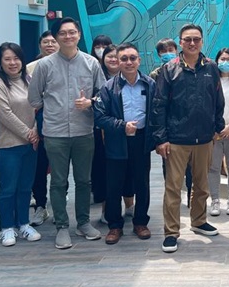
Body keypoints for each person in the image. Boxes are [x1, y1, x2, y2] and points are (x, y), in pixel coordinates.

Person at [27, 17, 107, 250]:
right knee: (58, 181)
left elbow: (104, 94)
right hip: (55, 133)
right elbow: (34, 98)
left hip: (84, 131)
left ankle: (83, 223)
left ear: (79, 35)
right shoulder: (44, 65)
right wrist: (55, 107)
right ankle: (62, 226)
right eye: (63, 33)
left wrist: (90, 102)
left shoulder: (91, 63)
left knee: (84, 180)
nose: (68, 36)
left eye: (72, 32)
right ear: (56, 37)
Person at [150, 24, 226, 253]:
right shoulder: (169, 69)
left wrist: (217, 127)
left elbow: (218, 101)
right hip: (176, 140)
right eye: (187, 39)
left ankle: (199, 221)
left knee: (201, 185)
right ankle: (171, 232)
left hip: (204, 139)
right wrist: (161, 138)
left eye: (196, 39)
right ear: (180, 42)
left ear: (202, 41)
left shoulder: (211, 68)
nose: (192, 43)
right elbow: (159, 105)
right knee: (173, 188)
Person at [94, 43, 156, 245]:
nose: (129, 62)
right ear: (118, 62)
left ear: (139, 60)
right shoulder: (108, 87)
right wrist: (121, 126)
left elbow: (157, 112)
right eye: (124, 59)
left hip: (141, 140)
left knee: (142, 183)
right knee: (114, 184)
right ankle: (115, 226)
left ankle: (141, 222)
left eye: (132, 58)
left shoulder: (149, 84)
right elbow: (99, 117)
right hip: (116, 140)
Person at [0, 42, 42, 247]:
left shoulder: (29, 80)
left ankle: (23, 224)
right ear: (0, 63)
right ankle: (6, 228)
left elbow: (38, 106)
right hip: (7, 147)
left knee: (25, 187)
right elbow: (5, 115)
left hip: (30, 145)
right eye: (7, 59)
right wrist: (29, 134)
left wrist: (36, 130)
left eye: (16, 58)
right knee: (8, 189)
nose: (13, 63)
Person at [149, 38, 193, 205]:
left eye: (170, 50)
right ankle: (172, 197)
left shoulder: (184, 70)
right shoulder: (155, 75)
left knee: (190, 166)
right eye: (163, 51)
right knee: (168, 165)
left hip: (187, 125)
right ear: (159, 54)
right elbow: (155, 104)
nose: (168, 53)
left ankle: (191, 196)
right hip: (166, 127)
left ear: (176, 51)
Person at [25, 31, 58, 226]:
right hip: (38, 125)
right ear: (40, 45)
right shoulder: (30, 68)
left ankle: (60, 206)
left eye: (53, 41)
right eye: (46, 42)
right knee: (38, 168)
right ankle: (40, 206)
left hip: (60, 127)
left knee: (60, 169)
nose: (50, 45)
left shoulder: (67, 65)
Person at [210, 48, 229, 217]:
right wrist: (215, 128)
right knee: (213, 167)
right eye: (222, 59)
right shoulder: (211, 82)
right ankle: (215, 200)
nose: (225, 62)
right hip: (214, 133)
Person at [93, 43, 121, 224]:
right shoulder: (97, 76)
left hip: (124, 132)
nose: (113, 59)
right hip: (101, 132)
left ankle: (130, 206)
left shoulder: (129, 77)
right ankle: (106, 210)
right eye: (109, 56)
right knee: (104, 172)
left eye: (116, 56)